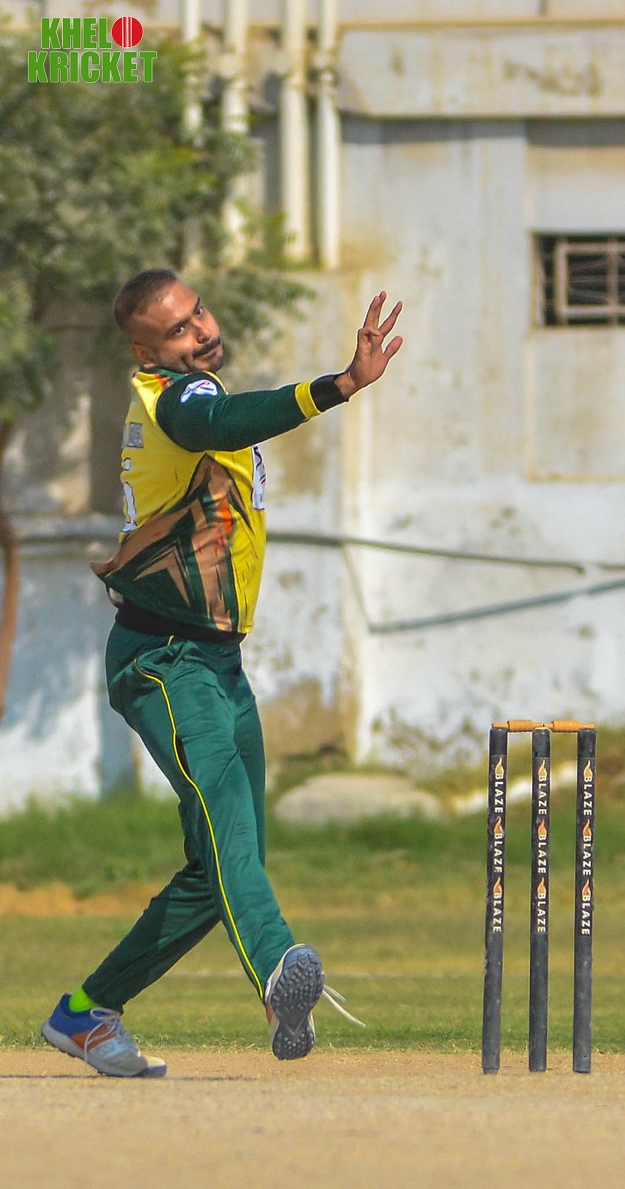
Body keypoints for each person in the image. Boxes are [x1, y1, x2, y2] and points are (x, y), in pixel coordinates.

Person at [41, 270, 403, 1077]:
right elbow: (220, 419)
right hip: (163, 662)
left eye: (197, 312)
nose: (200, 331)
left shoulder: (191, 395)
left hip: (217, 663)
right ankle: (278, 972)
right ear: (146, 353)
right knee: (230, 833)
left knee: (223, 868)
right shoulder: (177, 401)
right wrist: (338, 386)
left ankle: (86, 1014)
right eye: (176, 330)